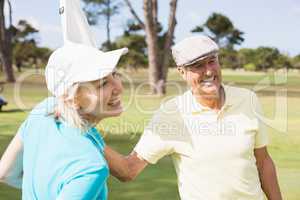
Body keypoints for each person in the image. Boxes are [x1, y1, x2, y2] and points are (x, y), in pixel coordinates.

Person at [104, 35, 283, 200]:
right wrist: (87, 133)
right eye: (198, 65)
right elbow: (128, 170)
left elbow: (263, 161)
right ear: (182, 72)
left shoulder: (247, 99)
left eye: (212, 61)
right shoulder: (172, 113)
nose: (208, 72)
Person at [0, 0, 128, 199]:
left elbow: (5, 173)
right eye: (102, 84)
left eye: (115, 74)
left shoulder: (44, 109)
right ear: (72, 99)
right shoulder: (91, 167)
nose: (119, 87)